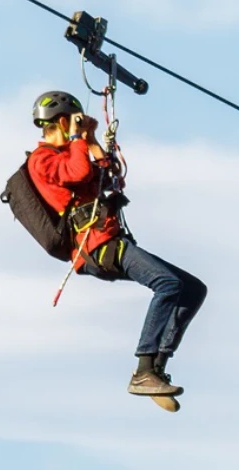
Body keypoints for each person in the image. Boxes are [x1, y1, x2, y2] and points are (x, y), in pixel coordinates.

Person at [27, 91, 207, 403]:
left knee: (192, 289)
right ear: (61, 121)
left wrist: (92, 139)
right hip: (97, 246)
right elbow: (78, 173)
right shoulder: (42, 160)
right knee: (167, 284)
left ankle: (156, 369)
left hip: (110, 239)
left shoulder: (73, 150)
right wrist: (78, 138)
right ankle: (143, 369)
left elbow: (107, 176)